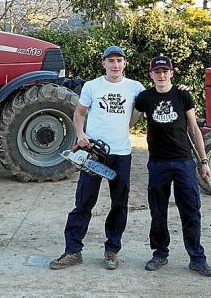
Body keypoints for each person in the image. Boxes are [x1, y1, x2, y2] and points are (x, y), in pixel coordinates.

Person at [50, 45, 145, 271]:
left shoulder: (135, 88)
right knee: (83, 202)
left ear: (125, 64)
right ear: (103, 63)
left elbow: (145, 107)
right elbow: (79, 113)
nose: (115, 65)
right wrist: (81, 134)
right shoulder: (92, 86)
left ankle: (112, 250)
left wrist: (126, 127)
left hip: (121, 154)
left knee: (119, 204)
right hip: (94, 154)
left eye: (119, 61)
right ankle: (73, 251)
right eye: (110, 61)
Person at [134, 55, 211, 277]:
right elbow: (129, 121)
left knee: (190, 210)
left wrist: (204, 160)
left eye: (164, 71)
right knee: (158, 210)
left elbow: (194, 129)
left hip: (183, 162)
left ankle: (197, 258)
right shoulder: (144, 98)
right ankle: (160, 253)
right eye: (156, 72)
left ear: (171, 73)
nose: (161, 75)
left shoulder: (183, 95)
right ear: (151, 74)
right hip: (158, 164)